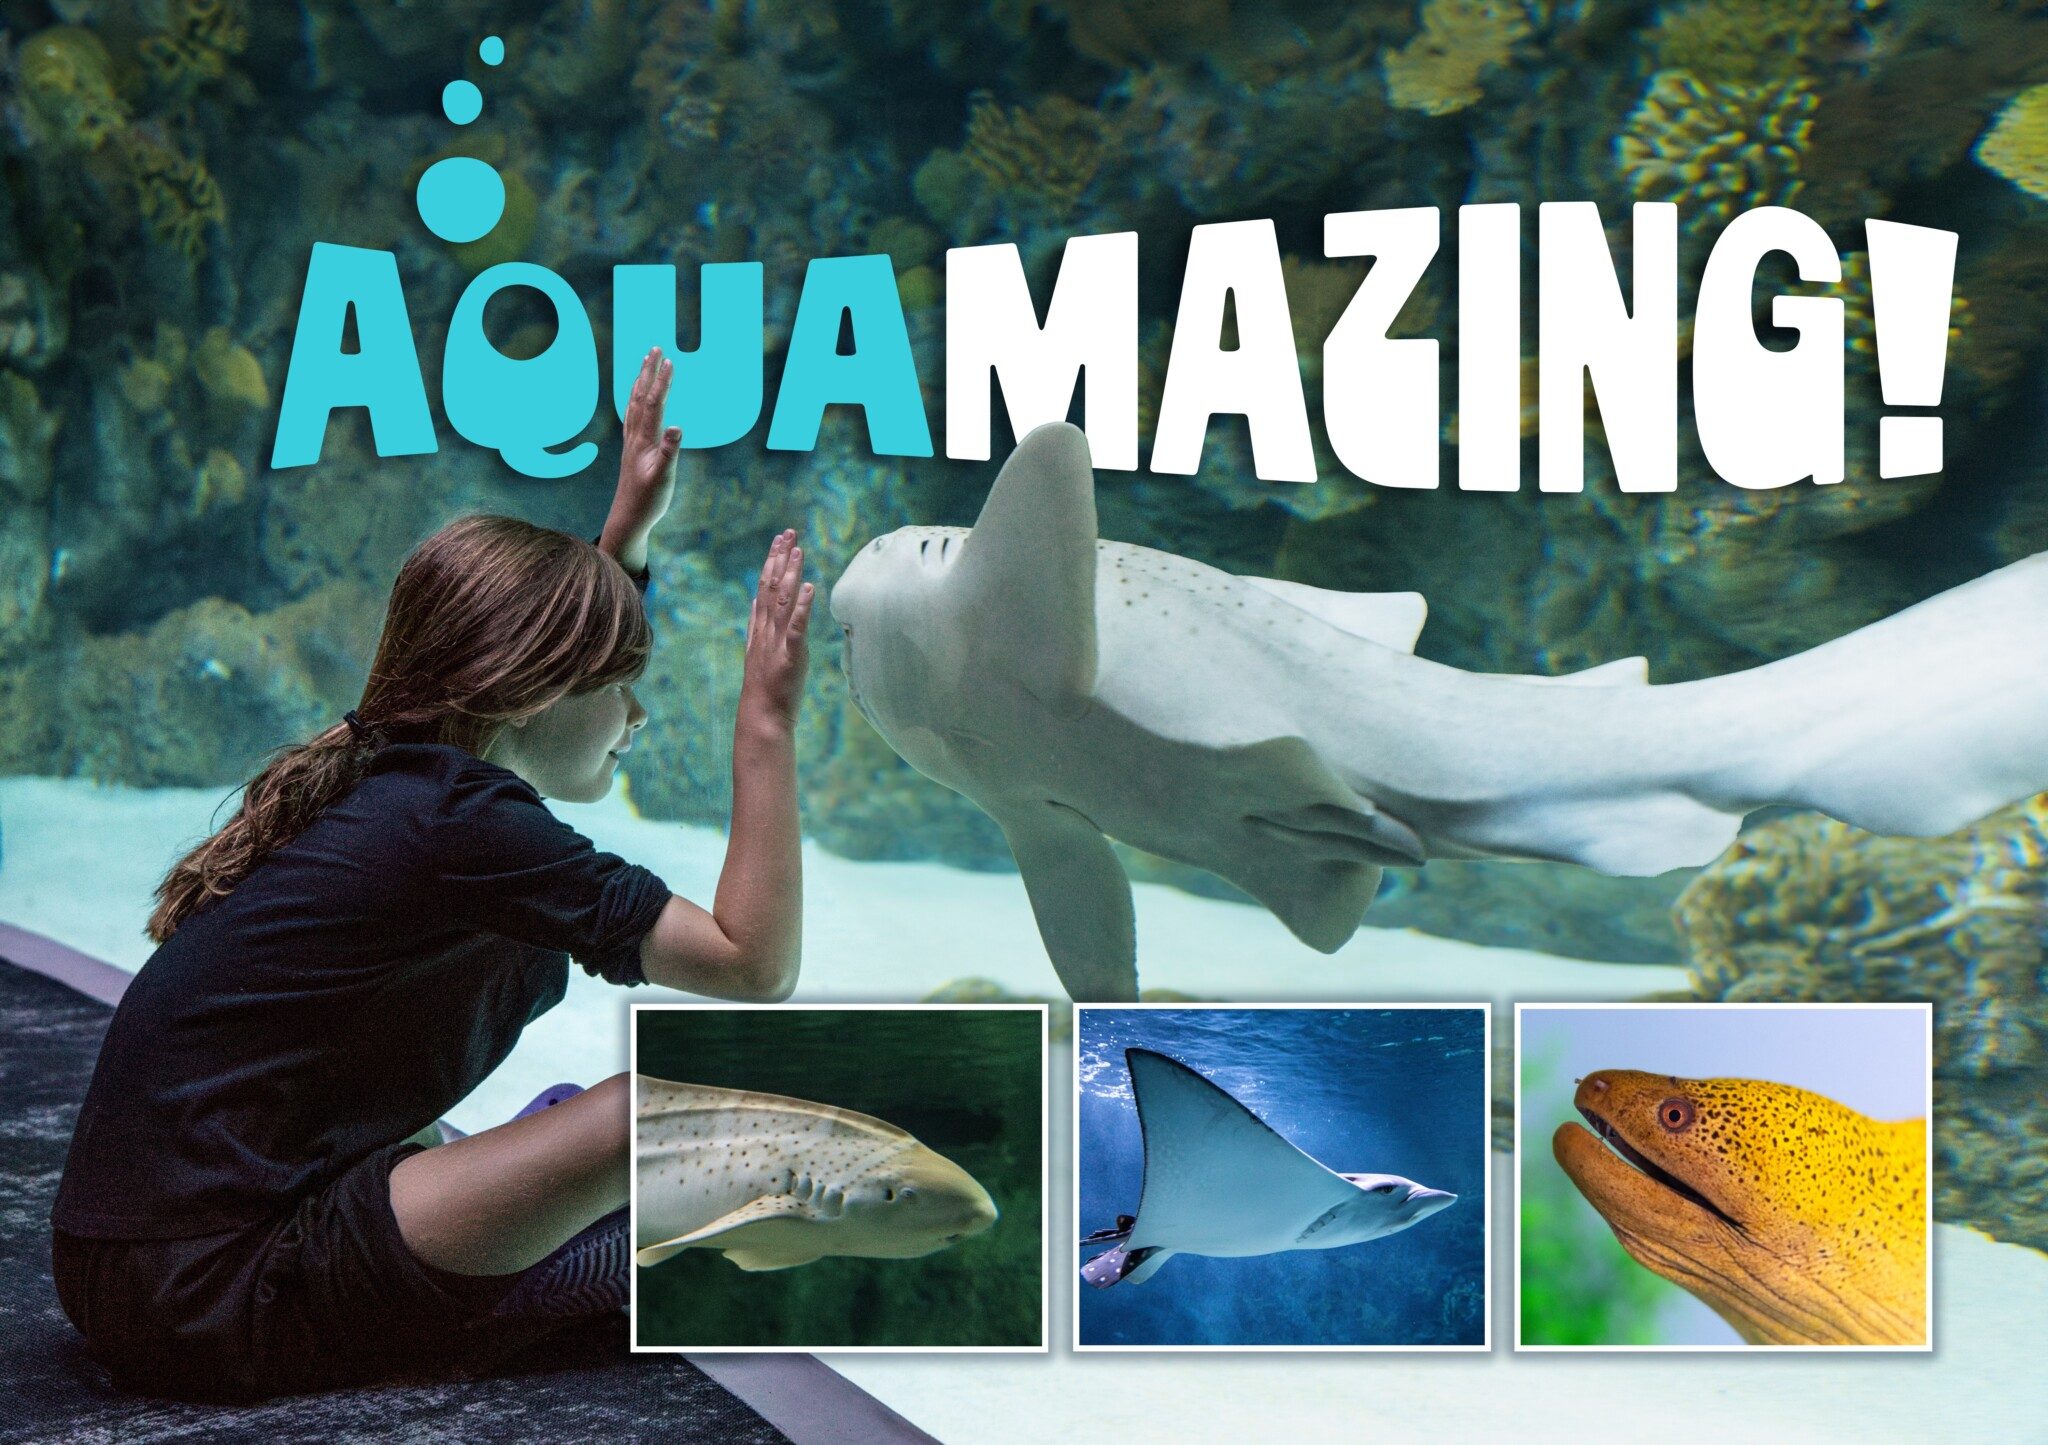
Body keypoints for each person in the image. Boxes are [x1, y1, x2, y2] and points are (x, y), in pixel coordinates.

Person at [47, 348, 814, 1402]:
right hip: (211, 1293)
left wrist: (624, 533)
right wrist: (766, 718)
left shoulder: (400, 774)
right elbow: (751, 962)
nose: (636, 717)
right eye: (623, 685)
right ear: (534, 688)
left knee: (581, 1139)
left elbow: (549, 673)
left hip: (137, 1266)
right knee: (643, 1122)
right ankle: (566, 1275)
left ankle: (548, 1243)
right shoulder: (461, 823)